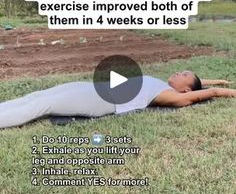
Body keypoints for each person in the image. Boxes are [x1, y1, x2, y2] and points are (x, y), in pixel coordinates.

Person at [0, 71, 235, 129]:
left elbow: (210, 92)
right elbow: (206, 84)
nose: (178, 73)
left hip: (100, 100)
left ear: (186, 91)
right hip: (93, 88)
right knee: (38, 95)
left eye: (184, 75)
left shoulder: (172, 96)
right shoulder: (164, 84)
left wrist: (222, 90)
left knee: (41, 105)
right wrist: (221, 81)